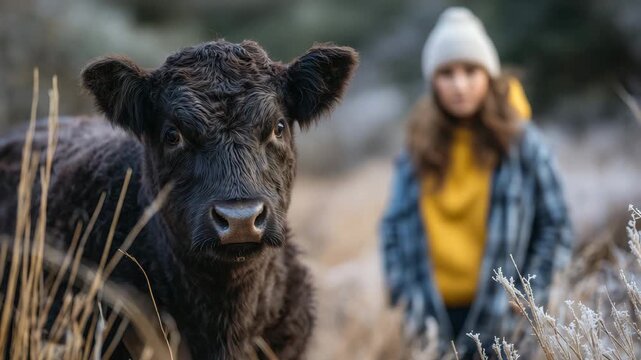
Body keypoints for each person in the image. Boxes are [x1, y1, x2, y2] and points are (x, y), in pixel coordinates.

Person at [379, 6, 573, 357]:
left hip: (503, 316)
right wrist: (403, 292)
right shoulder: (417, 147)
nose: (459, 85)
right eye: (447, 73)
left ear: (489, 75)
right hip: (433, 315)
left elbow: (556, 224)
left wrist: (531, 292)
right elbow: (392, 226)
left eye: (470, 71)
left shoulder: (522, 143)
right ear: (433, 81)